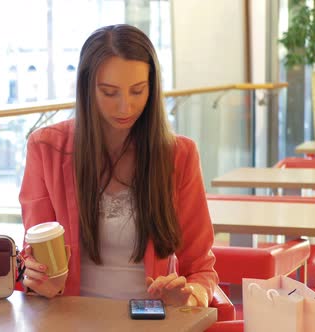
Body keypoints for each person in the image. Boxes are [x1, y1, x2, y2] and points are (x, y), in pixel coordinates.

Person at [19, 24, 218, 307]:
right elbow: (34, 252)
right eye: (109, 92)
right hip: (69, 319)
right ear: (87, 88)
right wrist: (41, 281)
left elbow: (201, 268)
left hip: (150, 322)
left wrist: (188, 298)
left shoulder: (179, 155)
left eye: (138, 91)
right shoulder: (46, 148)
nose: (125, 107)